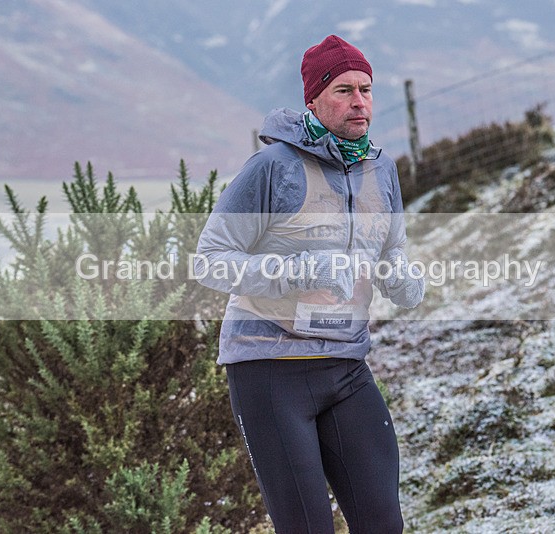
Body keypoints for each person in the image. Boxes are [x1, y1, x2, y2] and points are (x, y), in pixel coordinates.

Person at [194, 34, 424, 533]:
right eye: (344, 90)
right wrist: (300, 271)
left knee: (382, 523)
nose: (359, 101)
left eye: (366, 89)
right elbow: (209, 260)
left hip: (345, 366)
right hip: (270, 370)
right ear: (314, 99)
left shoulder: (381, 168)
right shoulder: (272, 169)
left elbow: (391, 248)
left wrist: (401, 277)